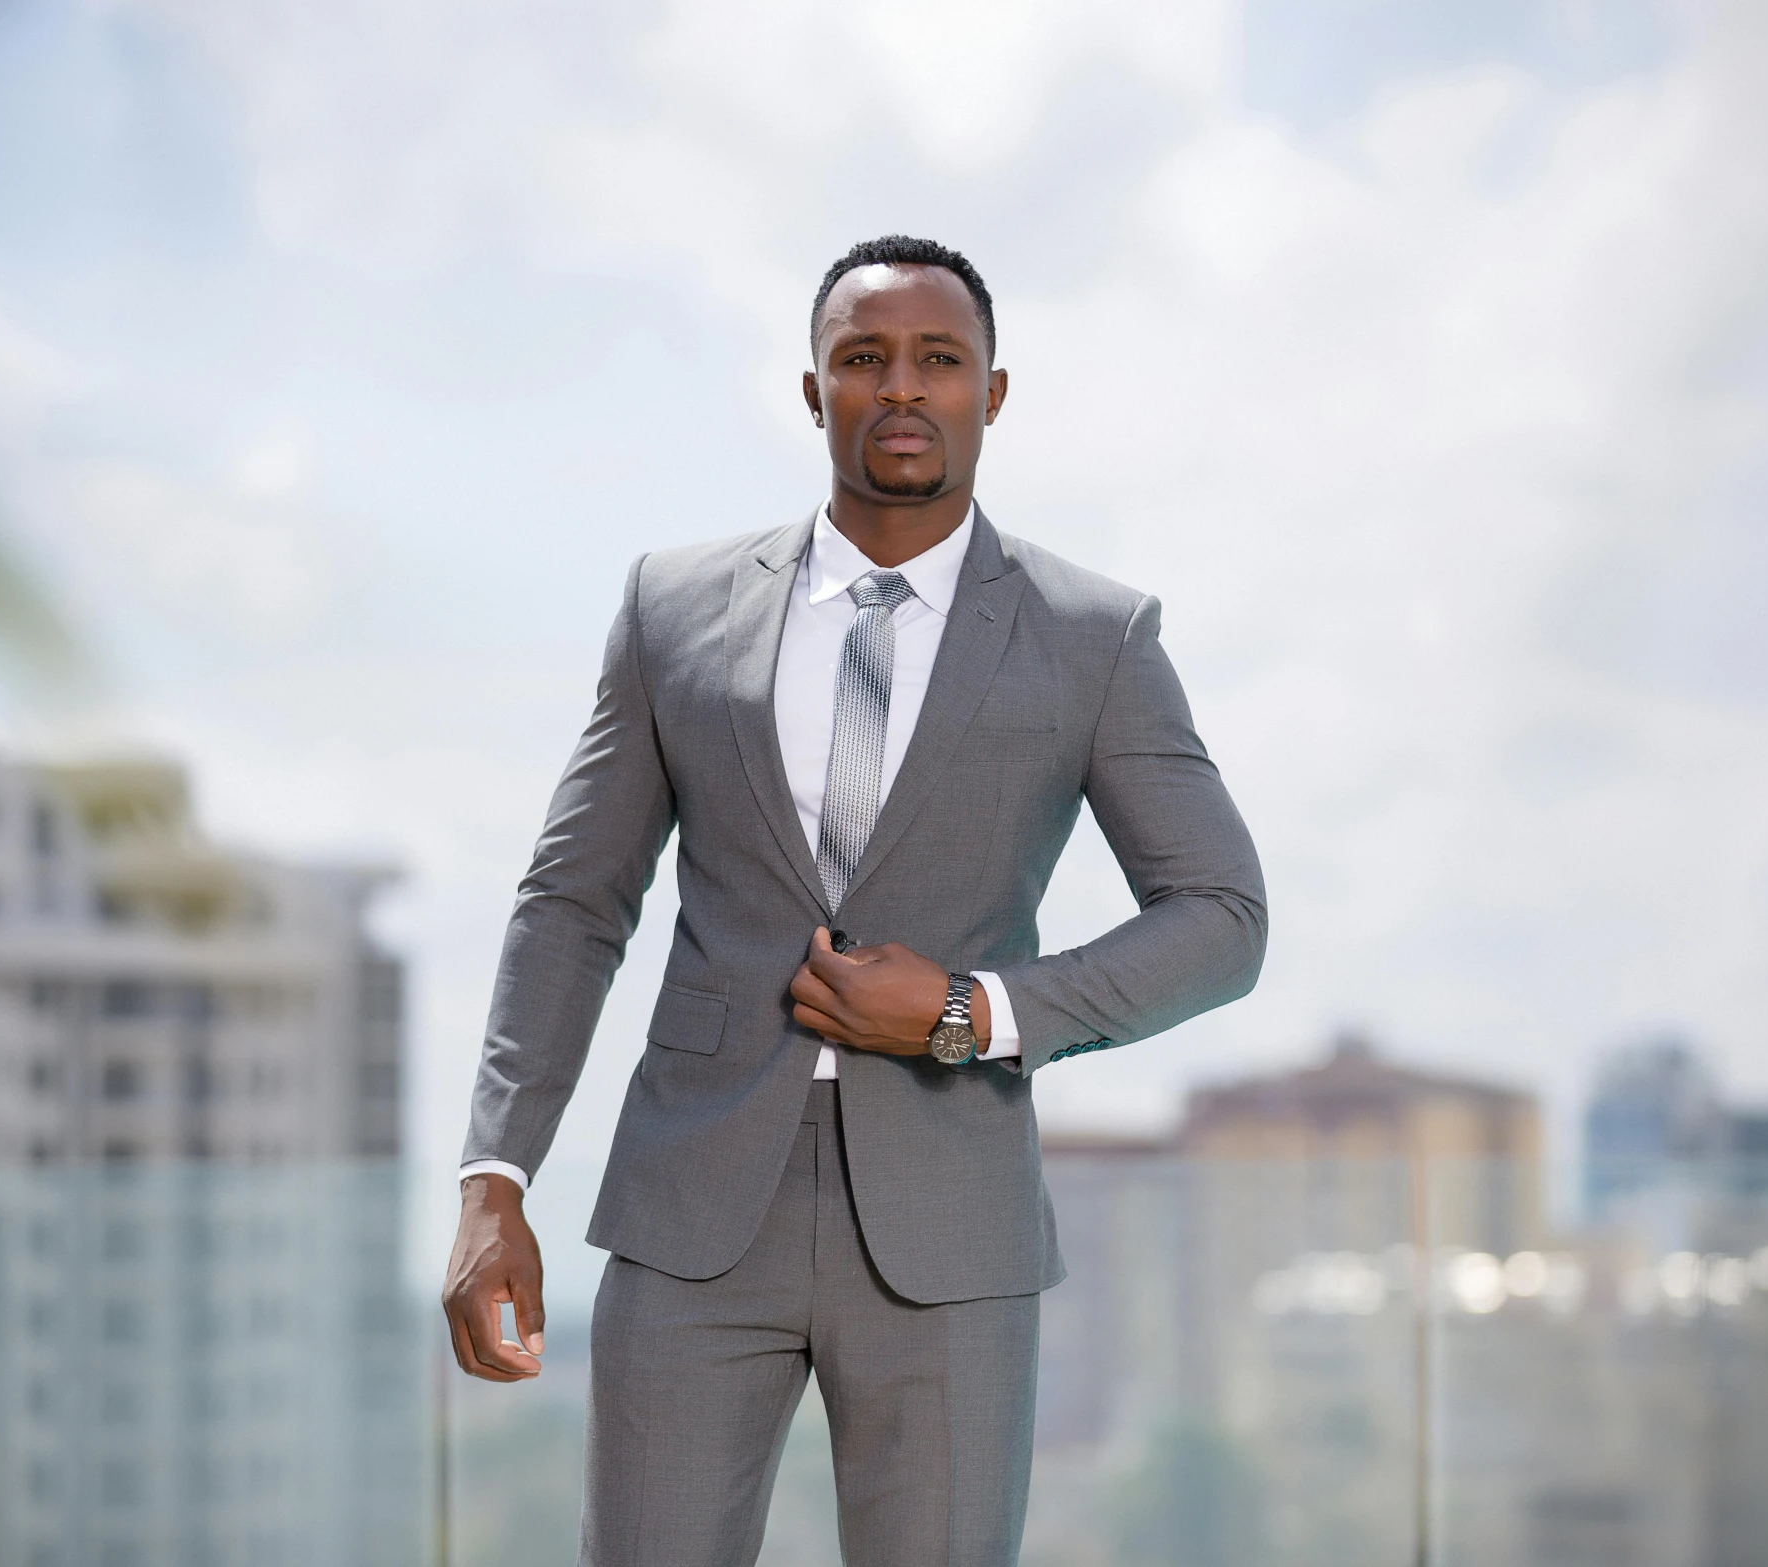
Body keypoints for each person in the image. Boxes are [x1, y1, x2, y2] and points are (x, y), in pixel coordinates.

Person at [442, 234, 1266, 1567]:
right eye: (862, 358)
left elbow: (1222, 914)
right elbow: (573, 899)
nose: (901, 386)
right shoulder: (673, 609)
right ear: (813, 389)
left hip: (952, 1226)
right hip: (691, 1215)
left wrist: (964, 1008)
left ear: (991, 393)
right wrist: (495, 1178)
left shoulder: (1091, 636)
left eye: (938, 360)